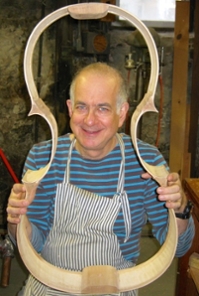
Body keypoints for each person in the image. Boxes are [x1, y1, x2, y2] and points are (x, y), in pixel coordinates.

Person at [7, 62, 194, 296]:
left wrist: (180, 208)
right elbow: (30, 245)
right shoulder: (44, 157)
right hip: (51, 285)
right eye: (82, 107)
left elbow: (178, 246)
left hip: (115, 289)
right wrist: (16, 220)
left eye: (103, 108)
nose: (89, 120)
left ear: (122, 113)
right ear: (69, 108)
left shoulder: (145, 160)